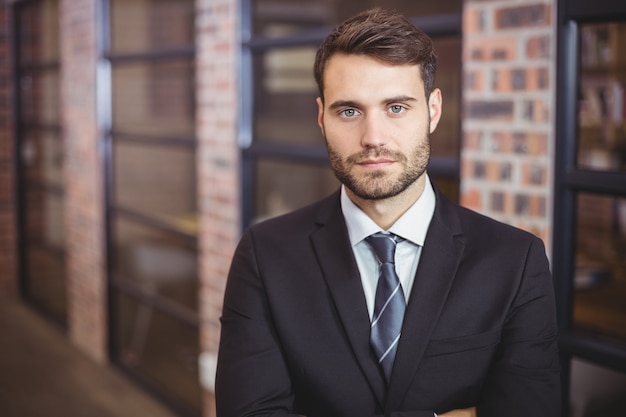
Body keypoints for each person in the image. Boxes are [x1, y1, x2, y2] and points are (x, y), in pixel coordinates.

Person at [215, 7, 561, 417]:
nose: (373, 138)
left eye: (396, 107)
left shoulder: (515, 260)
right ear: (321, 118)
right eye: (349, 111)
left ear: (433, 110)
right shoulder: (265, 255)